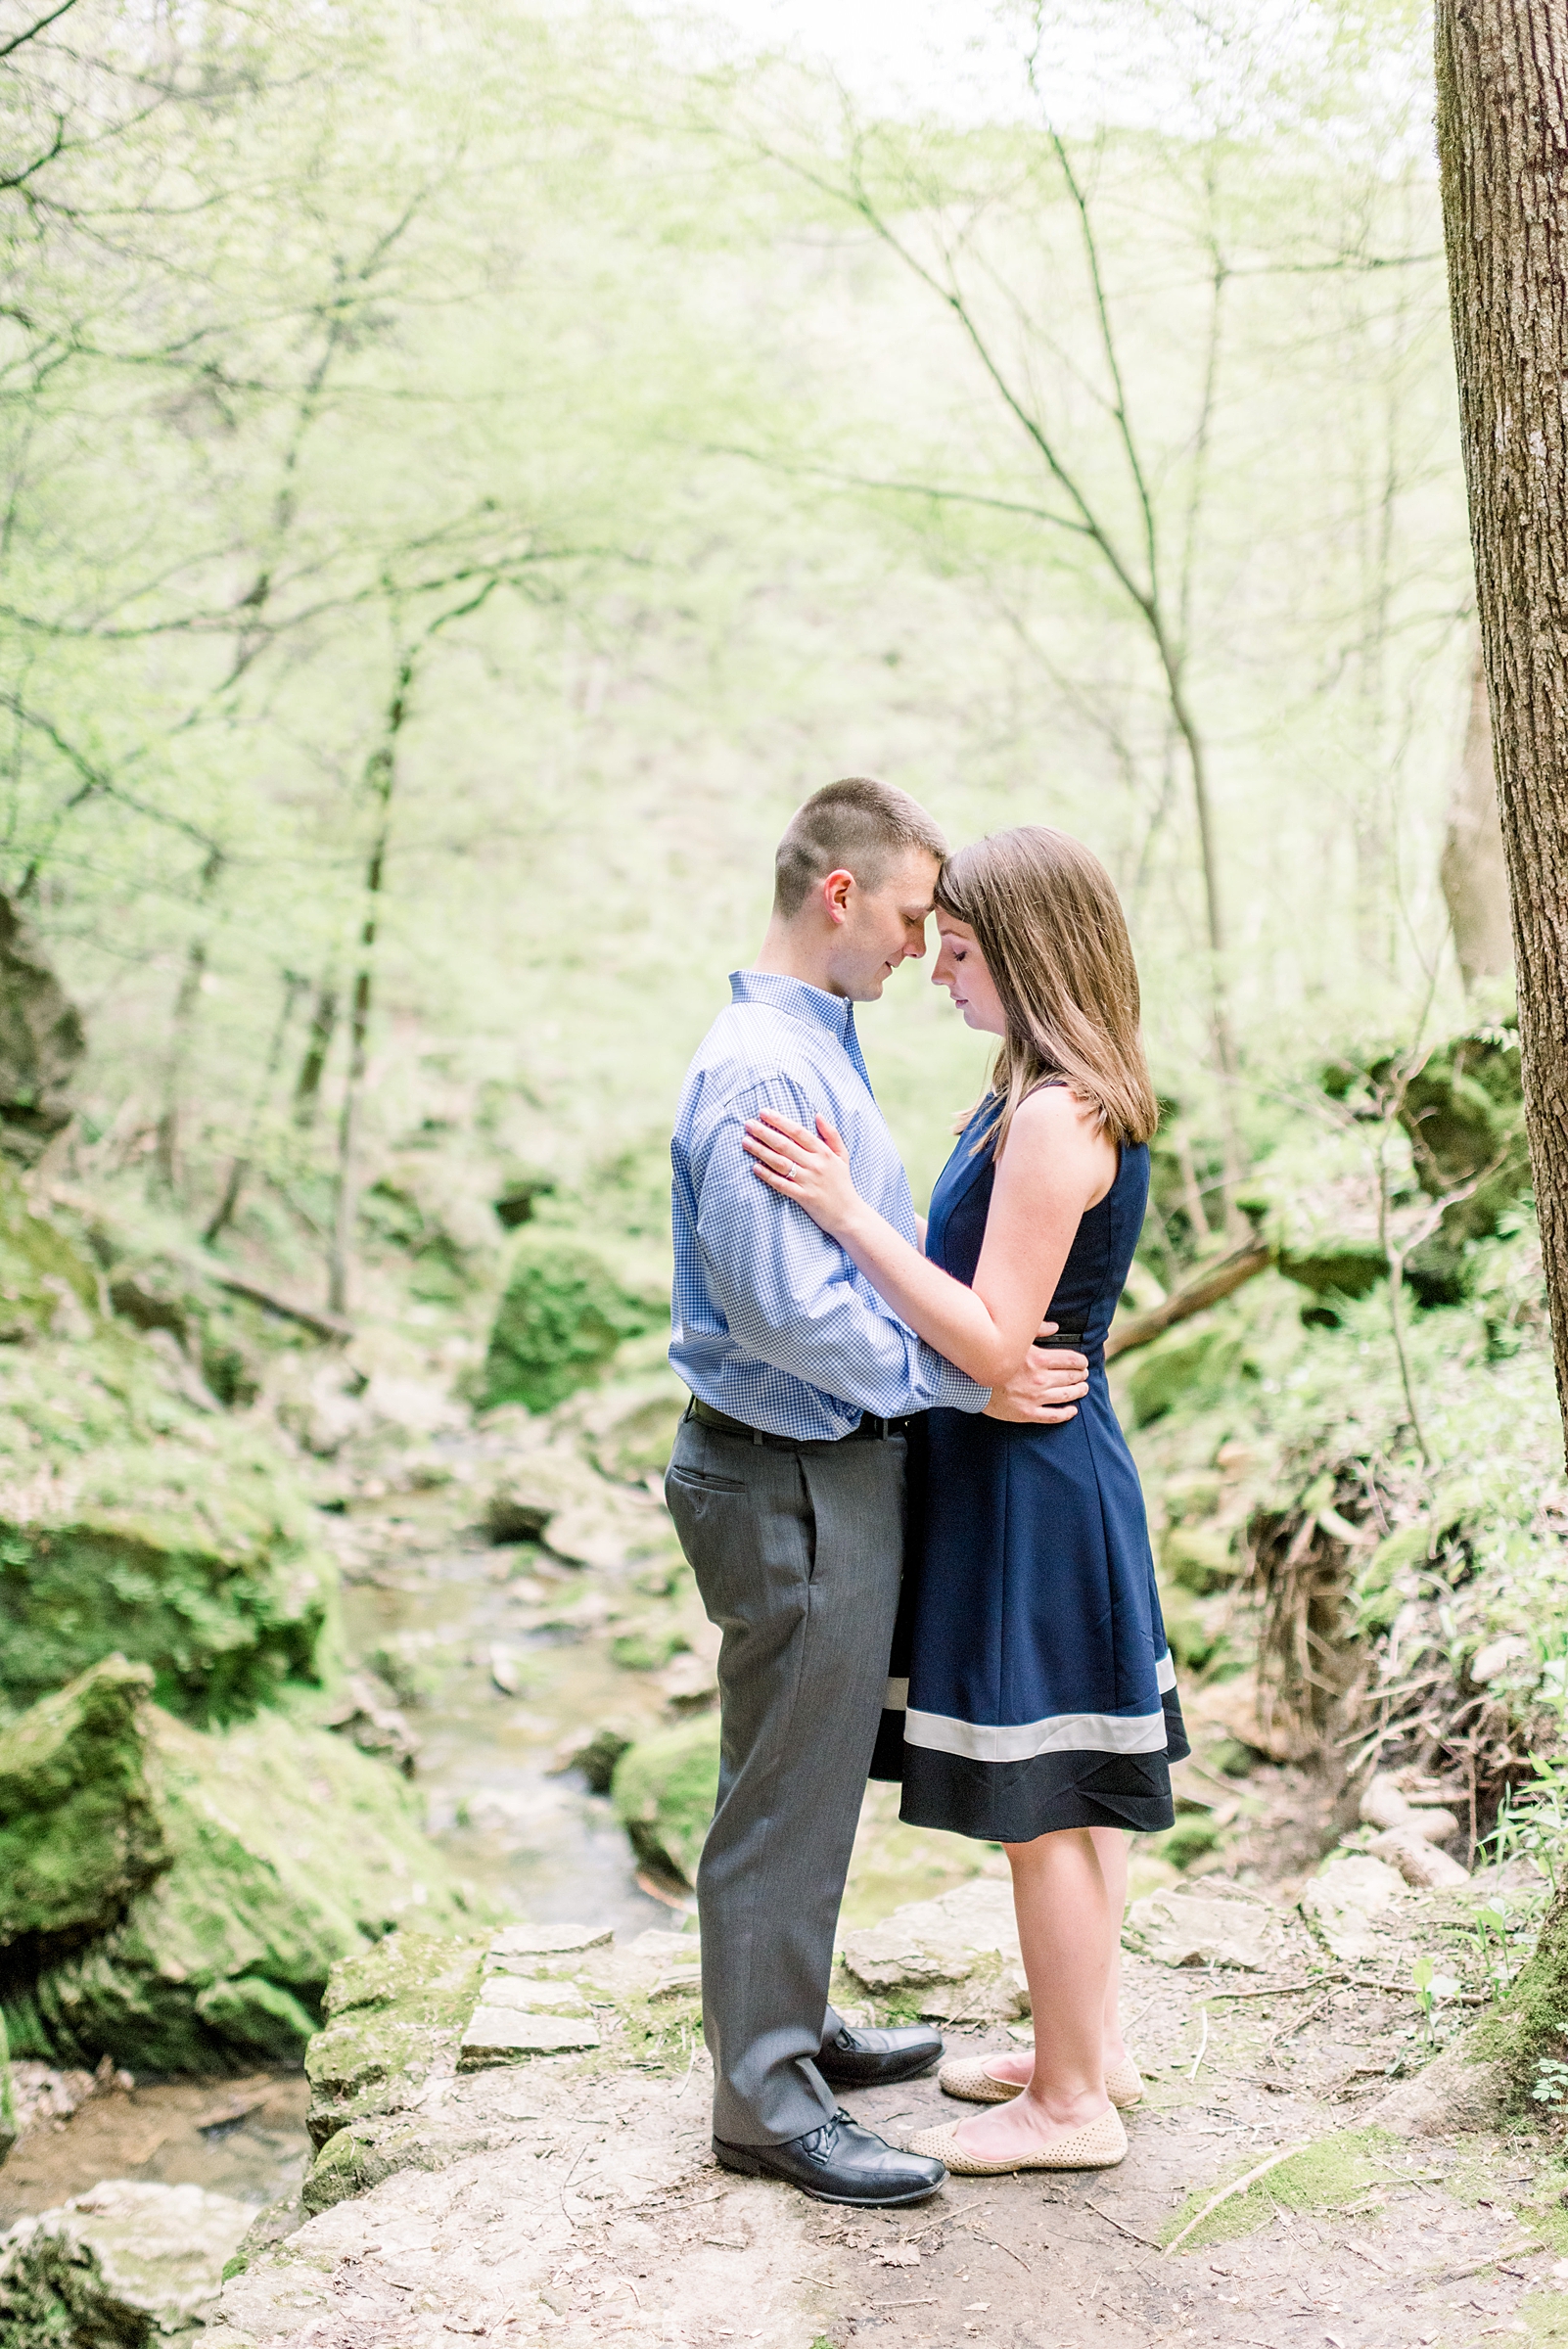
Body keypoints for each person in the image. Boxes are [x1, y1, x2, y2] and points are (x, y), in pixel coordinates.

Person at [666, 779, 1089, 2209]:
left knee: (804, 1764)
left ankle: (788, 2024)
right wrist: (964, 1380)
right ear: (838, 896)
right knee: (784, 1783)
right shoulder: (762, 1071)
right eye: (914, 915)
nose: (924, 944)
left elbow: (859, 1266)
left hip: (824, 1464)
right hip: (785, 1463)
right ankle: (765, 2102)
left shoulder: (819, 1049)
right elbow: (791, 1312)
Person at [742, 822, 1185, 2178]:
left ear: (1032, 955)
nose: (937, 971)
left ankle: (1067, 2107)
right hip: (1031, 1471)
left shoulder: (1055, 1116)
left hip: (1030, 1488)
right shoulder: (1039, 1096)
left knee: (1042, 1797)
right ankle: (1083, 2047)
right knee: (1075, 1782)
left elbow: (997, 1339)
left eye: (961, 950)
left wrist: (842, 1211)